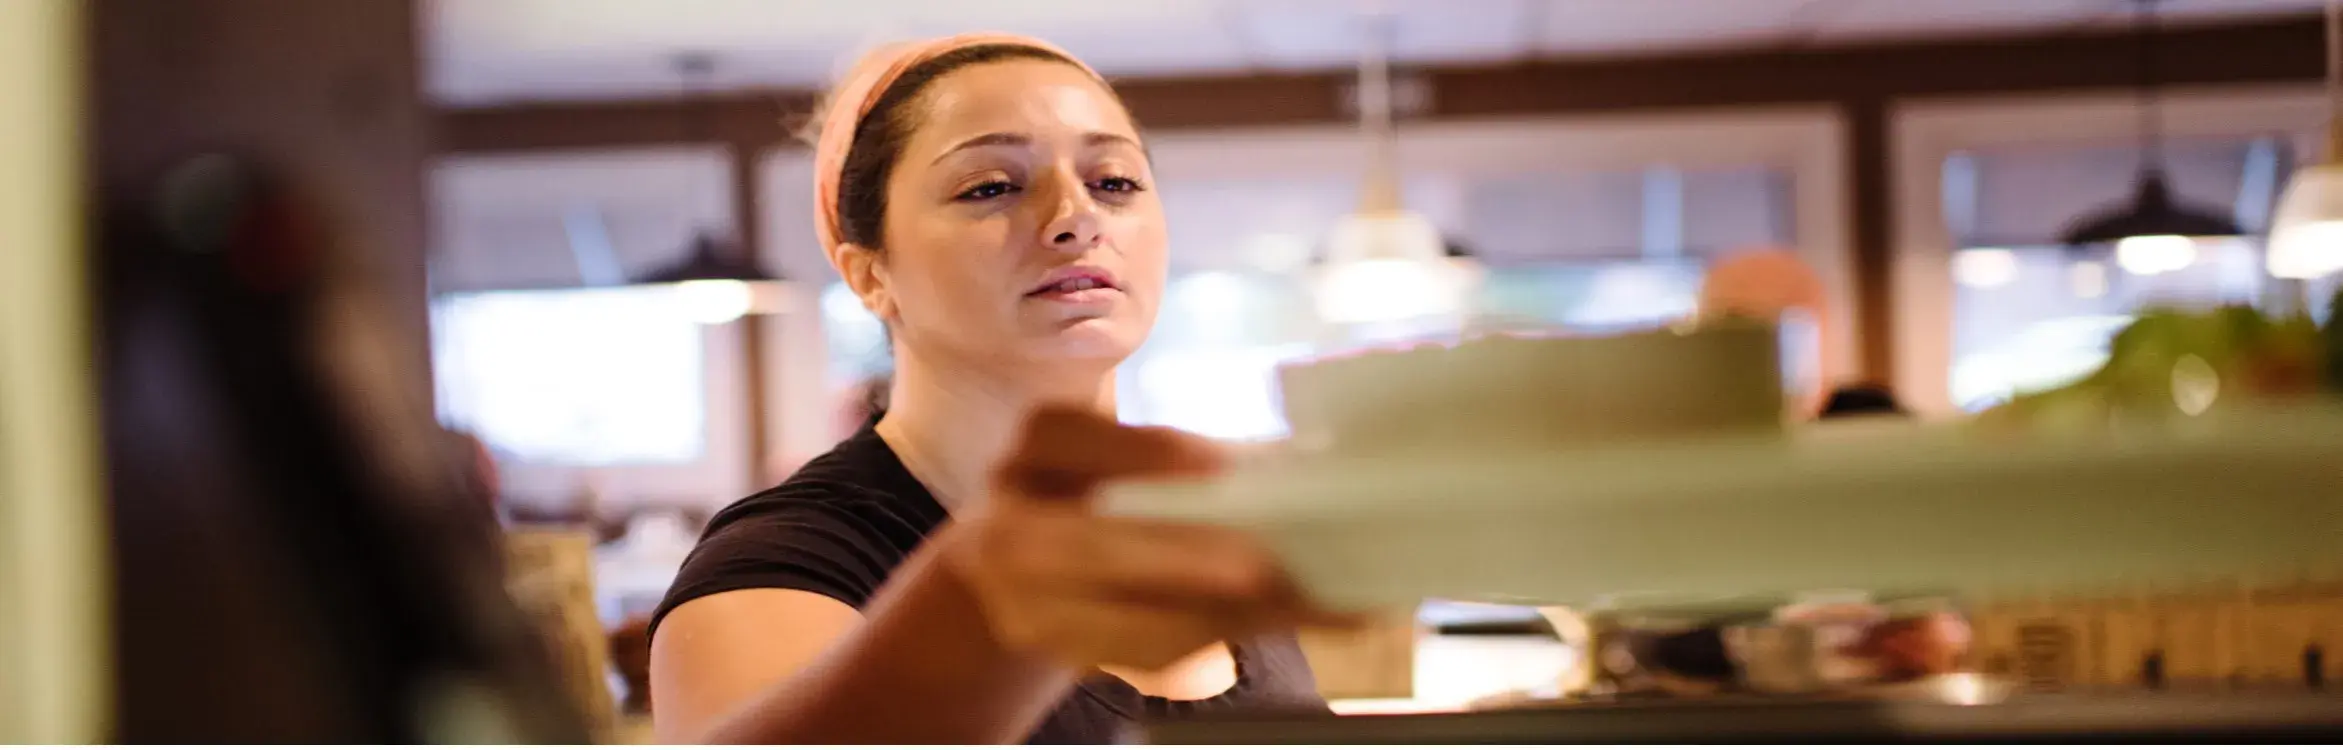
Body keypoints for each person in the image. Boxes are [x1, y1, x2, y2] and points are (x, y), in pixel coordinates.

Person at [647, 34, 1353, 744]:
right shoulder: (782, 568)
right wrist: (985, 602)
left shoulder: (1200, 536)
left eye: (1113, 182)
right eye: (991, 187)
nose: (1077, 217)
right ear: (867, 272)